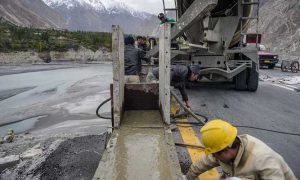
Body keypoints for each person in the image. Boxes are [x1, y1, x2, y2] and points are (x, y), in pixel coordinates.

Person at [186, 119, 297, 180]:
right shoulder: (222, 149)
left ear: (227, 149)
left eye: (215, 154)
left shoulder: (263, 160)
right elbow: (203, 163)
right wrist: (187, 177)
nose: (213, 156)